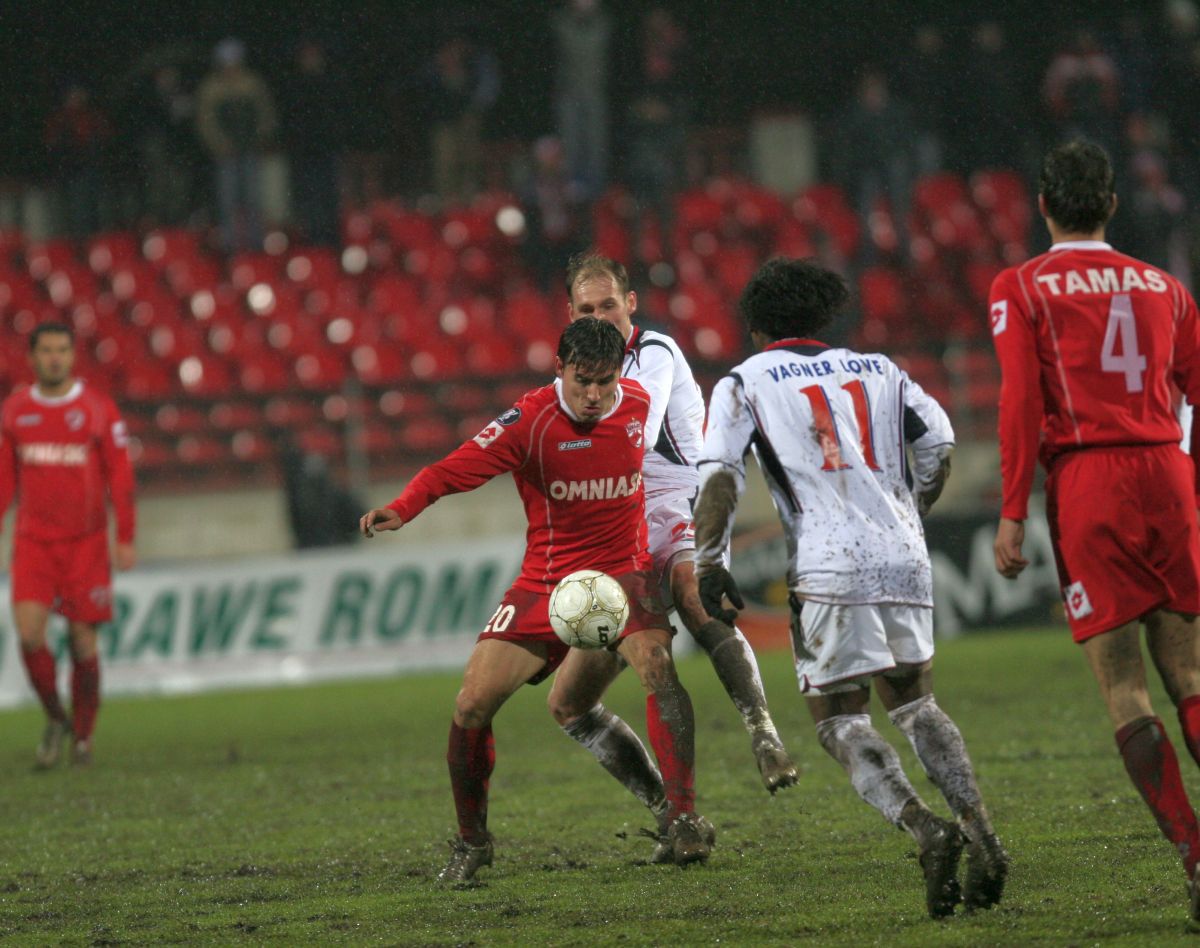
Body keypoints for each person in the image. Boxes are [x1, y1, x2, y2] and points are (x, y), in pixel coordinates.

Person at [694, 258, 1007, 919]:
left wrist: (708, 561)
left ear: (755, 328)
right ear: (822, 316)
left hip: (827, 562)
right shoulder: (880, 369)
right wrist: (909, 513)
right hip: (904, 557)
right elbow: (941, 443)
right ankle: (982, 831)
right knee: (918, 704)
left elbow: (721, 477)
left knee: (838, 717)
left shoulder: (744, 381)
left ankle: (927, 831)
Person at [360, 317, 712, 883]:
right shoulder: (529, 421)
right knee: (472, 704)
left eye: (605, 381)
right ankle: (472, 842)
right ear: (559, 370)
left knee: (657, 663)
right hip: (546, 584)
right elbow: (453, 468)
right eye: (582, 382)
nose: (595, 395)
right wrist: (404, 506)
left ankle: (686, 818)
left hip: (623, 575)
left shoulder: (642, 403)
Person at [991, 140, 1200, 927]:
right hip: (1167, 472)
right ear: (1112, 205)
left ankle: (1196, 855)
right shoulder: (1166, 287)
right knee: (1188, 676)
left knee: (1123, 686)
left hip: (1091, 481)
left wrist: (1012, 510)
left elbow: (1018, 402)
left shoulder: (1022, 286)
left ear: (1042, 206)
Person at [560, 252, 798, 796]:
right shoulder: (572, 375)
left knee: (694, 597)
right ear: (570, 314)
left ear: (631, 305)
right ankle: (670, 810)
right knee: (569, 702)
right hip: (622, 520)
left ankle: (763, 733)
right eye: (586, 309)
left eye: (609, 305)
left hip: (680, 499)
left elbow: (630, 432)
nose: (598, 318)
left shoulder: (653, 352)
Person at [0, 323, 136, 767]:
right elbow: (3, 479)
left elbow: (119, 473)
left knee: (82, 643)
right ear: (33, 358)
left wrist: (126, 535)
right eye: (46, 351)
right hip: (34, 543)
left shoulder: (97, 409)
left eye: (62, 350)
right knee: (28, 634)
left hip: (86, 544)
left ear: (73, 355)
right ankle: (57, 717)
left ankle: (83, 736)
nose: (55, 358)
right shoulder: (15, 411)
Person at [196, 37, 276, 253]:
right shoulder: (211, 87)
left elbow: (265, 114)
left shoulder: (252, 83)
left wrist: (260, 138)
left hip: (250, 150)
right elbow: (206, 120)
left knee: (253, 199)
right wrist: (219, 144)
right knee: (227, 201)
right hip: (226, 154)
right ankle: (229, 246)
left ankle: (256, 244)